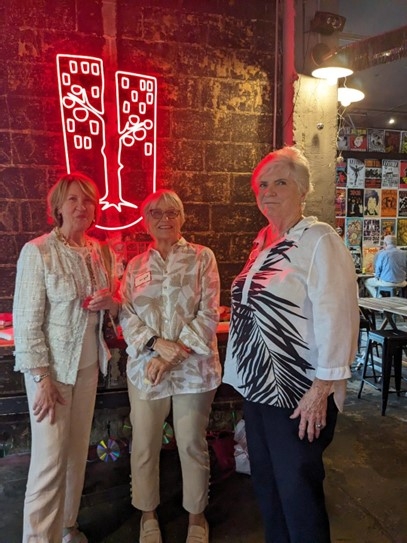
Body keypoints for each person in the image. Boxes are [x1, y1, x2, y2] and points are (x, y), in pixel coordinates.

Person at [223, 146, 359, 543]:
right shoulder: (262, 242)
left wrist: (321, 389)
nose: (268, 192)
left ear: (302, 189)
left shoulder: (318, 240)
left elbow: (338, 314)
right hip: (258, 386)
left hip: (298, 392)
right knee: (267, 486)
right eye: (262, 185)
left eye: (280, 182)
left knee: (298, 493)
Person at [13, 172, 120, 543]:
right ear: (57, 206)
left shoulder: (100, 252)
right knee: (49, 461)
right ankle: (38, 538)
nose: (81, 206)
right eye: (73, 199)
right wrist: (41, 378)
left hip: (88, 367)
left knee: (76, 454)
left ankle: (66, 527)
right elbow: (27, 323)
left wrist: (111, 303)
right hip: (52, 373)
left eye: (88, 200)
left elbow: (115, 306)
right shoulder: (38, 251)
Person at [119, 189, 221, 543]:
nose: (164, 218)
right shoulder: (135, 266)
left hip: (194, 370)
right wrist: (154, 345)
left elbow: (210, 312)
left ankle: (196, 516)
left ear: (182, 217)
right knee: (144, 443)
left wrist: (171, 354)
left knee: (191, 442)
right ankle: (148, 514)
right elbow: (126, 314)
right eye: (155, 213)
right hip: (146, 370)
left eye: (171, 212)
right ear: (145, 220)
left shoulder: (202, 257)